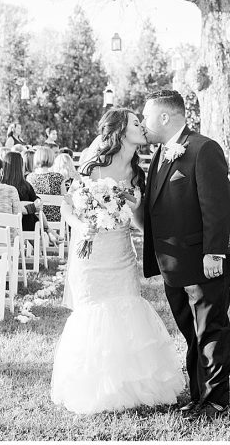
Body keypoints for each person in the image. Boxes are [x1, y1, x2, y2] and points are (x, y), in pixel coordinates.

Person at [51, 107, 185, 414]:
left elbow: (139, 222)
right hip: (92, 253)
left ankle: (131, 386)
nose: (142, 126)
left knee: (126, 308)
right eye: (136, 123)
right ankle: (97, 388)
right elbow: (68, 207)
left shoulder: (138, 172)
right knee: (94, 313)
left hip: (122, 254)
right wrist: (83, 224)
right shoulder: (92, 166)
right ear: (121, 132)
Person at [140, 90, 230, 420]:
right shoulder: (160, 153)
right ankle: (199, 394)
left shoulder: (203, 149)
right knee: (192, 333)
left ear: (164, 117)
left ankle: (217, 401)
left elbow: (217, 206)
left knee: (211, 330)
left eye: (146, 117)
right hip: (175, 264)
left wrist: (215, 253)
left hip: (205, 260)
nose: (143, 124)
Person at [1, 151, 40, 232]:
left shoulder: (0, 185)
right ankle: (49, 231)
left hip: (4, 225)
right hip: (25, 226)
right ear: (21, 166)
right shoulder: (25, 186)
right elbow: (37, 202)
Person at [28, 146, 66, 223]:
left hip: (37, 217)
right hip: (56, 218)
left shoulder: (30, 177)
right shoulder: (59, 177)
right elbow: (64, 199)